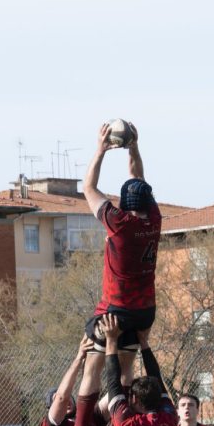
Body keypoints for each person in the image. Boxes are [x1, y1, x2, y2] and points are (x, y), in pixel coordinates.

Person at [79, 120, 160, 372]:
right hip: (145, 312)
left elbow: (88, 188)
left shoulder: (119, 223)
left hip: (117, 308)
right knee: (126, 371)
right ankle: (121, 408)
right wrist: (133, 148)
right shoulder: (155, 219)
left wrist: (100, 150)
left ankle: (87, 411)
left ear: (124, 204)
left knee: (92, 363)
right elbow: (138, 178)